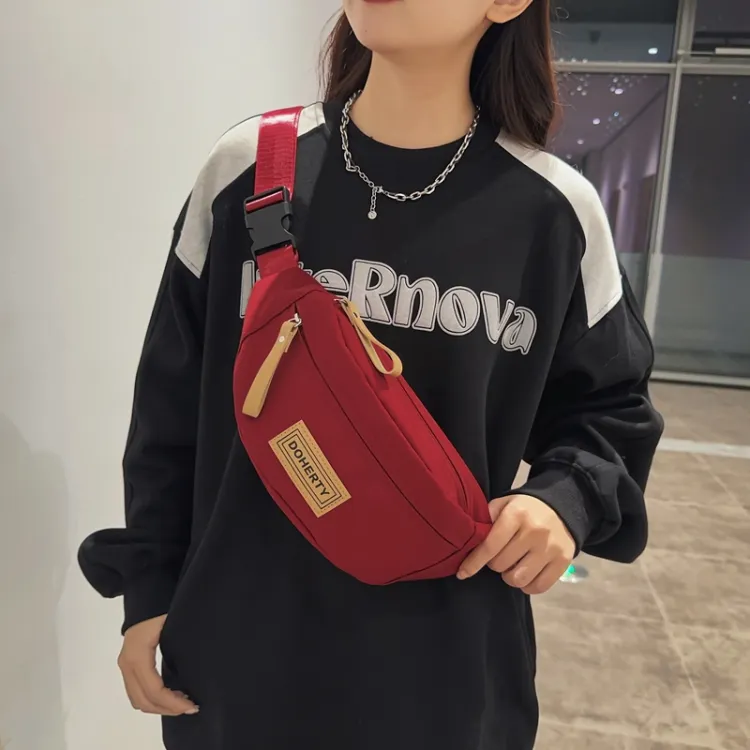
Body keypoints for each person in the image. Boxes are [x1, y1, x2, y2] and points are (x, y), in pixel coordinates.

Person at [78, 1, 664, 748]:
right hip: (237, 656)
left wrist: (564, 501)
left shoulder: (555, 212)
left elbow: (611, 408)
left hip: (442, 673)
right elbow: (170, 404)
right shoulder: (250, 167)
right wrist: (149, 589)